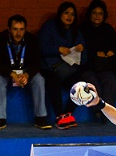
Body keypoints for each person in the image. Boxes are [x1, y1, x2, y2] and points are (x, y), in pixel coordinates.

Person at [39, 2, 99, 130]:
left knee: (81, 85)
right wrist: (58, 49)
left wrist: (82, 50)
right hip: (49, 68)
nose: (69, 16)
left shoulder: (76, 32)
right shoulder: (49, 27)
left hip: (68, 69)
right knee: (53, 82)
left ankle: (67, 114)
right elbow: (41, 48)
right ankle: (59, 116)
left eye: (72, 14)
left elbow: (84, 60)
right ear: (60, 14)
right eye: (66, 13)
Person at [0, 14, 52, 131]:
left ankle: (40, 117)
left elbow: (37, 62)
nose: (18, 33)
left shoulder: (31, 39)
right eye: (15, 29)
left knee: (39, 80)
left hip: (25, 72)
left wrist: (27, 75)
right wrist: (11, 73)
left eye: (21, 29)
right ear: (9, 29)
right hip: (5, 72)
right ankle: (0, 119)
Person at [80, 0, 116, 113]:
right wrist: (95, 54)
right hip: (87, 67)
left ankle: (107, 112)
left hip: (104, 66)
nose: (97, 16)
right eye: (94, 12)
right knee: (93, 83)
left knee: (111, 82)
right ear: (89, 14)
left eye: (100, 13)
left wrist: (110, 52)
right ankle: (97, 111)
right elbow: (81, 49)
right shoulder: (82, 29)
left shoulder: (108, 29)